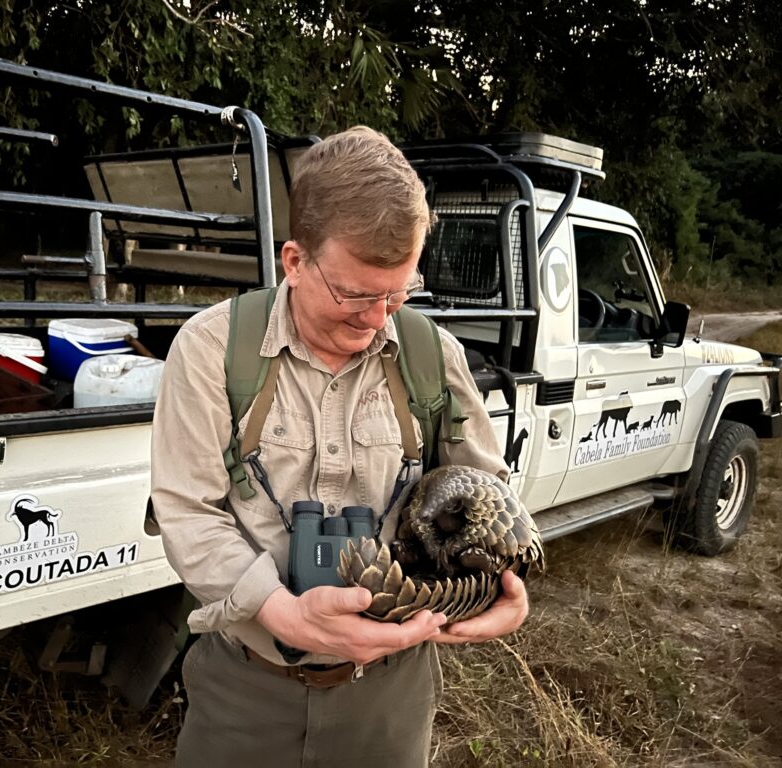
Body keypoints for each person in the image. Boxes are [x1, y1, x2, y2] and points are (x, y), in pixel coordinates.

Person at [151, 126, 529, 767]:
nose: (378, 317)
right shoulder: (212, 350)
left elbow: (486, 497)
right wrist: (280, 611)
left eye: (398, 292)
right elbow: (189, 511)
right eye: (356, 293)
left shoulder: (431, 355)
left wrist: (505, 580)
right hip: (246, 686)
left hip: (390, 694)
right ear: (294, 262)